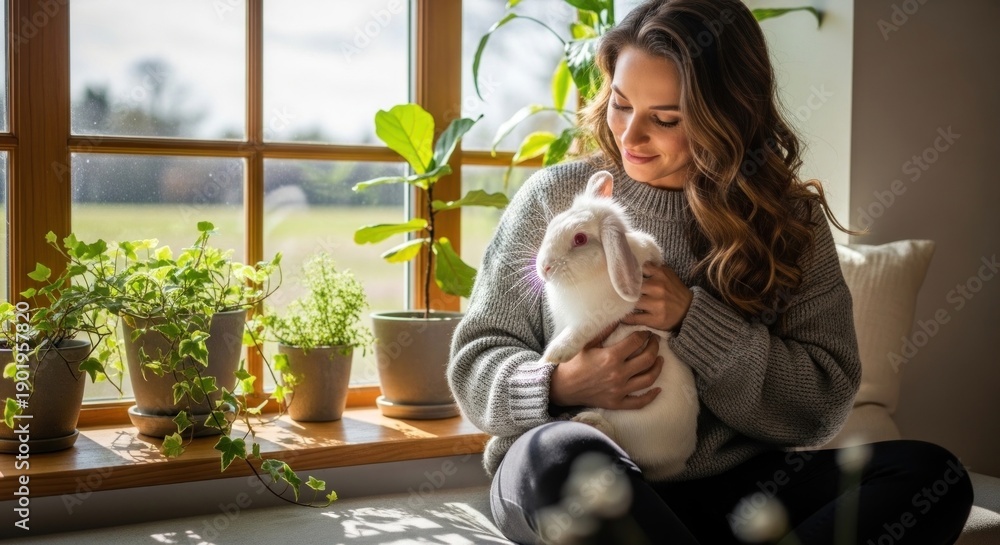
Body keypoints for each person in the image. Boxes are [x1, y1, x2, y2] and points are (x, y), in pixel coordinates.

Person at [447, 1, 974, 543]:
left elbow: (822, 401)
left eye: (666, 119)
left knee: (932, 475)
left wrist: (696, 321)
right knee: (555, 454)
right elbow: (476, 359)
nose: (630, 136)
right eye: (621, 104)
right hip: (579, 471)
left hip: (737, 490)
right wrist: (560, 384)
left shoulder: (787, 222)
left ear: (728, 115)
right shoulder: (558, 199)